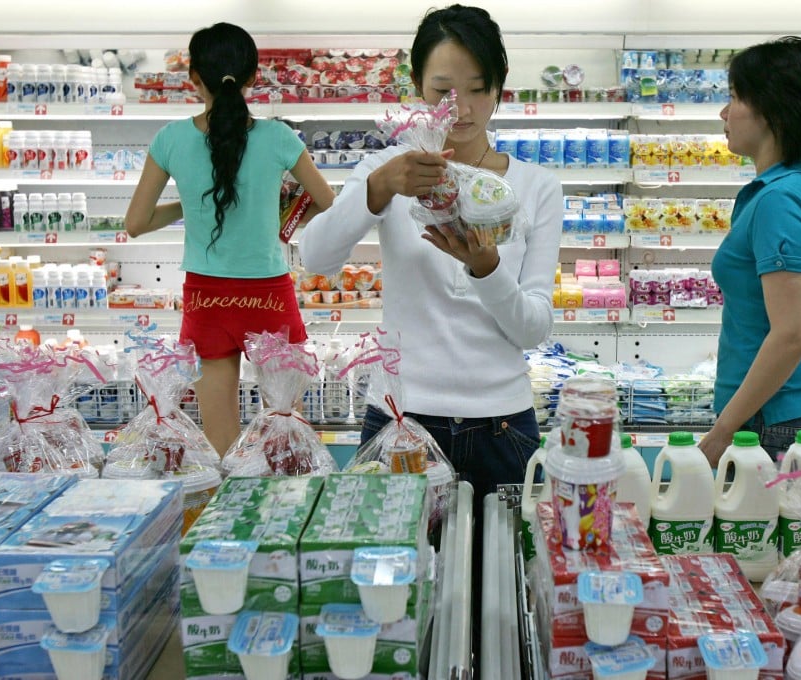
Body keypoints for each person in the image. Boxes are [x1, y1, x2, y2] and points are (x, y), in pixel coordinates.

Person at [299, 2, 562, 659]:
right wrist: (377, 189)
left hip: (503, 429)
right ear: (418, 90)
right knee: (391, 615)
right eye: (445, 89)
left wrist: (486, 268)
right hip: (399, 424)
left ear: (501, 92)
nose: (462, 107)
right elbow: (314, 257)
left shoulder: (534, 189)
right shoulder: (391, 170)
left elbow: (533, 329)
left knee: (498, 622)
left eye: (478, 89)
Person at [125, 22, 334, 457]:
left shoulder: (170, 139)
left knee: (220, 445)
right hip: (269, 295)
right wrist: (282, 212)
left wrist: (192, 203)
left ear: (193, 79)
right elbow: (326, 199)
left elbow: (137, 222)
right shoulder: (278, 137)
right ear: (253, 78)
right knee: (286, 438)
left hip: (206, 298)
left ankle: (225, 521)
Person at [697, 36, 801, 465]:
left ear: (773, 110)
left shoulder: (779, 200)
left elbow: (793, 333)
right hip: (792, 416)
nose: (724, 113)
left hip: (768, 428)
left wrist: (722, 433)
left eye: (735, 97)